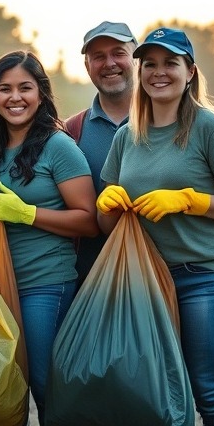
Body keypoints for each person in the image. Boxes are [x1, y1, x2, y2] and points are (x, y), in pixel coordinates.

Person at [97, 27, 214, 425]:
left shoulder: (209, 128)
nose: (158, 72)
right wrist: (108, 206)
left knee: (210, 389)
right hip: (149, 281)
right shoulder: (126, 136)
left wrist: (189, 199)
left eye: (170, 63)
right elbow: (106, 226)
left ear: (190, 71)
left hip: (204, 275)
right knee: (163, 391)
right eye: (149, 64)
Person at [0, 50, 98, 425]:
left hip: (44, 283)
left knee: (45, 386)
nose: (15, 97)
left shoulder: (57, 146)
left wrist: (27, 214)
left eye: (25, 88)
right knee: (4, 388)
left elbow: (89, 220)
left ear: (41, 94)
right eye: (5, 89)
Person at [66, 20, 138, 285]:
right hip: (90, 281)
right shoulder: (72, 131)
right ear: (87, 67)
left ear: (136, 59)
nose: (109, 63)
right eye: (98, 57)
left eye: (119, 53)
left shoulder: (167, 124)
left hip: (161, 276)